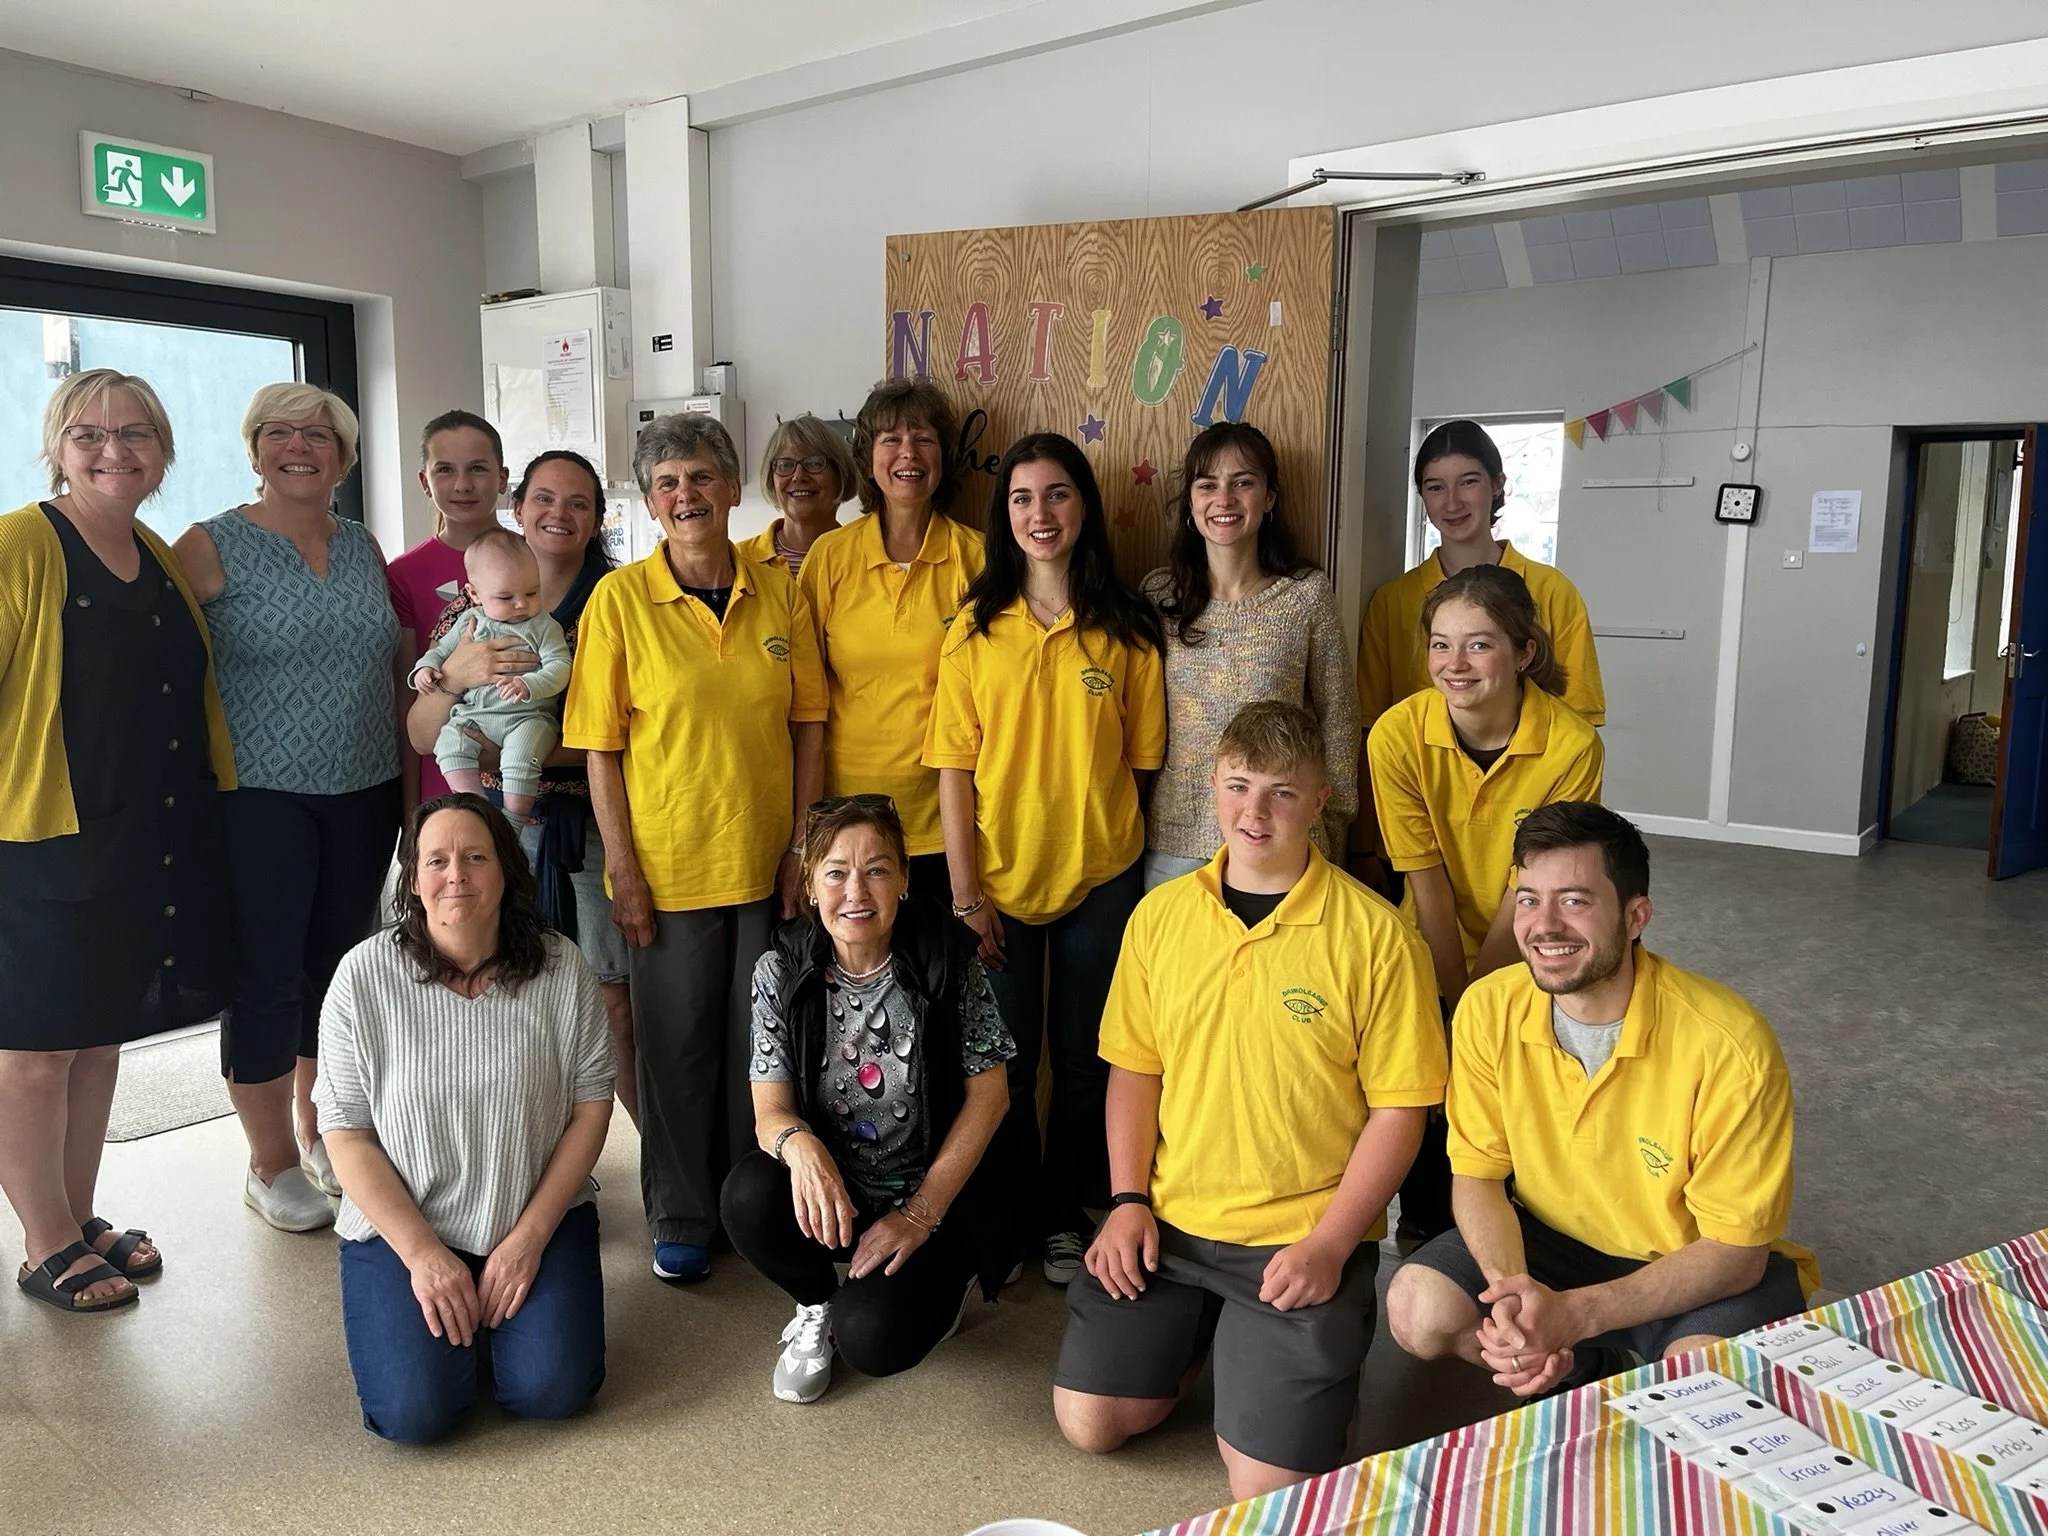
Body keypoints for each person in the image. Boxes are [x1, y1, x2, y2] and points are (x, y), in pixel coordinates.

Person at [1053, 702, 1445, 1501]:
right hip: (1170, 1222)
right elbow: (1136, 1070)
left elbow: (1400, 1112)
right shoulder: (1160, 917)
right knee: (1091, 1424)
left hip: (1299, 1240)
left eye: (1282, 794)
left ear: (1322, 799)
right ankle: (1201, 1333)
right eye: (1239, 787)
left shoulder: (1378, 937)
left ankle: (1304, 1353)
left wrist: (1333, 1246)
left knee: (1266, 1488)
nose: (1255, 814)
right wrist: (1127, 1202)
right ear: (1211, 785)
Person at [1385, 802, 1818, 1396]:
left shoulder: (1731, 1045)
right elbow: (1478, 1176)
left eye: (1575, 901)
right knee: (1418, 1310)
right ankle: (1579, 1373)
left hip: (1692, 1262)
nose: (1544, 925)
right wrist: (1518, 1300)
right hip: (1553, 1241)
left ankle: (1609, 1353)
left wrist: (1578, 1314)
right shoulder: (1487, 1008)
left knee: (1704, 1385)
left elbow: (1736, 1254)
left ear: (1635, 916)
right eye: (1530, 899)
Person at [564, 413, 826, 1284]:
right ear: (648, 498)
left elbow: (809, 726)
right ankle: (680, 1211)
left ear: (731, 485)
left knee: (761, 1045)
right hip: (667, 868)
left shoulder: (779, 591)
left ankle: (750, 1200)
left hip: (764, 864)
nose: (687, 495)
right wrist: (623, 869)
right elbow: (601, 746)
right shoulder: (620, 601)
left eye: (702, 477)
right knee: (673, 1046)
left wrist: (801, 849)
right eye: (668, 482)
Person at [1, 370, 235, 1313]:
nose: (115, 449)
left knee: (96, 1043)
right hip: (42, 840)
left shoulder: (152, 551)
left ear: (163, 451)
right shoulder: (23, 543)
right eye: (90, 433)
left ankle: (77, 1214)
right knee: (33, 1052)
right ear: (58, 444)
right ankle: (43, 1240)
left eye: (137, 433)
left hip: (142, 835)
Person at [923, 431, 1166, 1286]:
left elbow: (1142, 768)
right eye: (1023, 499)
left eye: (1057, 495)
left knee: (1089, 1058)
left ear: (1085, 506)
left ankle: (1066, 1210)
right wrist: (965, 894)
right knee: (1011, 1062)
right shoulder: (973, 631)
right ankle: (1015, 1211)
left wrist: (1110, 856)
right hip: (999, 883)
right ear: (1004, 516)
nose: (1040, 514)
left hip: (1103, 876)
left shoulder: (1128, 629)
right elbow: (953, 770)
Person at [173, 383, 402, 1232]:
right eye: (280, 432)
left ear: (343, 457)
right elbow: (150, 654)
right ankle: (267, 1162)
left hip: (365, 788)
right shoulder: (210, 545)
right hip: (258, 797)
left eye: (319, 434)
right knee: (265, 977)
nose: (299, 445)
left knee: (338, 973)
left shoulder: (361, 544)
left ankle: (320, 1131)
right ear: (254, 448)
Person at [316, 794, 612, 1444]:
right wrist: (425, 1255)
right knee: (414, 1416)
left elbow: (591, 1109)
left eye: (476, 857)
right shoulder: (361, 979)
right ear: (414, 880)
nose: (457, 875)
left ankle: (489, 1315)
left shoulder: (562, 968)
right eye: (437, 860)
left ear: (505, 872)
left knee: (553, 1391)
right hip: (405, 1228)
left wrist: (529, 1239)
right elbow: (346, 1133)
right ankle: (457, 1316)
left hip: (532, 1214)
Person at [719, 794, 1019, 1403]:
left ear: (904, 880)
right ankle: (816, 1302)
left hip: (932, 1193)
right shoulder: (781, 969)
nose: (856, 891)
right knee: (748, 1195)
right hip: (839, 1185)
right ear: (810, 884)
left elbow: (991, 1100)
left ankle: (943, 1278)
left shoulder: (948, 959)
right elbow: (768, 1111)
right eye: (836, 872)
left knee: (873, 1339)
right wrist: (801, 1148)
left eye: (877, 869)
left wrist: (919, 1214)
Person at [1367, 563, 1602, 1244]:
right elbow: (1425, 879)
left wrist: (1480, 1001)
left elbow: (1529, 888)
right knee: (1425, 1079)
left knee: (1512, 1083)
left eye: (1479, 644)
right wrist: (1451, 1003)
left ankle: (1519, 1224)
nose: (1455, 664)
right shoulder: (1397, 735)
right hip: (1432, 940)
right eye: (1440, 644)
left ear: (1525, 651)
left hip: (1532, 937)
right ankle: (1422, 1227)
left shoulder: (1571, 745)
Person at [407, 450, 637, 1125]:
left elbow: (621, 734)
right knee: (510, 990)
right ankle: (536, 1152)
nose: (558, 514)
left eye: (577, 503)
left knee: (608, 994)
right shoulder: (469, 614)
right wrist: (452, 680)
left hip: (591, 823)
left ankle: (661, 1173)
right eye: (544, 498)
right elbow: (424, 733)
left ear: (597, 520)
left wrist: (516, 744)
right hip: (492, 832)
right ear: (519, 507)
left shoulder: (616, 601)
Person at [1353, 419, 1603, 894]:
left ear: (1497, 485)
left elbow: (1577, 729)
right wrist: (1364, 847)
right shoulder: (1393, 601)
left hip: (1521, 833)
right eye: (1435, 487)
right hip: (1419, 829)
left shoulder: (1553, 593)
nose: (1452, 502)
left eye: (1468, 481)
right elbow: (1371, 727)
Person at [1142, 421, 1357, 890]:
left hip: (1281, 840)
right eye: (1207, 485)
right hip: (1176, 841)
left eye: (1243, 483)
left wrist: (1333, 820)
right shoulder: (1158, 596)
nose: (1225, 499)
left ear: (1269, 497)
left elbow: (1338, 716)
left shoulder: (1304, 596)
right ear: (1191, 504)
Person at [801, 381, 983, 900]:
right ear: (868, 457)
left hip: (947, 819)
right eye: (890, 439)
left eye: (923, 438)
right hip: (845, 819)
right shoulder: (830, 557)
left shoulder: (980, 559)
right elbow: (804, 698)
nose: (908, 453)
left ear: (944, 457)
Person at [409, 530, 573, 826]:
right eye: (506, 597)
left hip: (528, 717)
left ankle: (513, 822)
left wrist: (529, 684)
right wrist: (425, 669)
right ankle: (478, 810)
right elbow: (441, 651)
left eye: (532, 593)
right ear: (475, 595)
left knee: (520, 757)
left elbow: (561, 666)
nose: (521, 604)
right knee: (449, 744)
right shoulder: (468, 621)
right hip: (474, 716)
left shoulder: (543, 625)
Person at [388, 410, 511, 804]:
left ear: (503, 478)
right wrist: (411, 813)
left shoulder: (533, 558)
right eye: (445, 470)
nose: (462, 484)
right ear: (425, 482)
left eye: (477, 468)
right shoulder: (404, 574)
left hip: (527, 772)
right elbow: (406, 699)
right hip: (443, 778)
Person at [736, 414, 859, 577]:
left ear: (841, 474)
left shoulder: (863, 558)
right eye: (785, 465)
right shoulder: (738, 561)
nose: (798, 476)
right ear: (771, 478)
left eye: (814, 463)